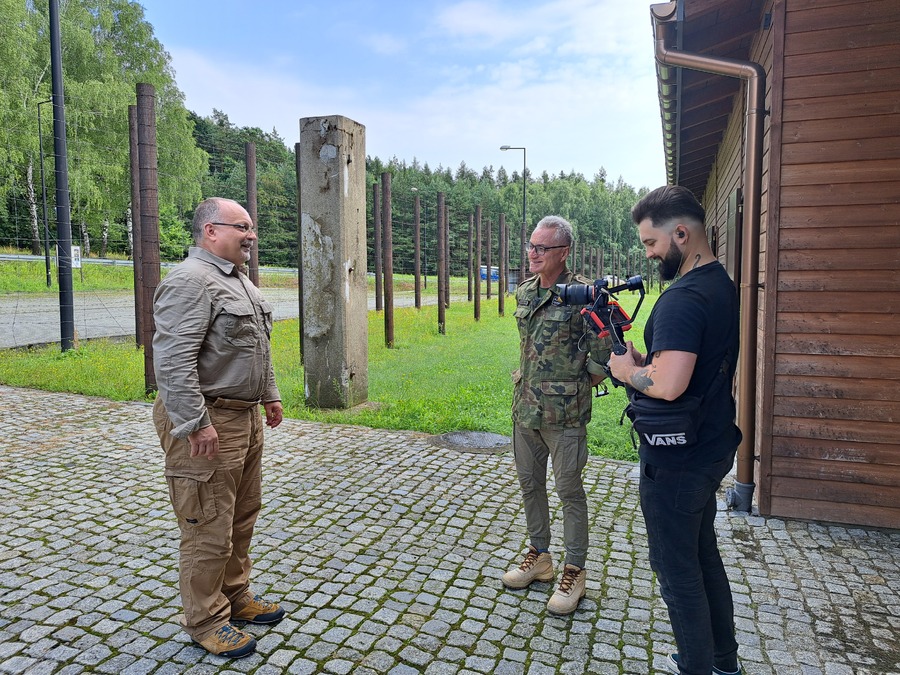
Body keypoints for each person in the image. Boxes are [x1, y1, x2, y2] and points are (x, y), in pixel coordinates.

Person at [608, 185, 742, 675]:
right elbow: (683, 369)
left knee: (676, 569)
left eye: (652, 243)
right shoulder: (720, 284)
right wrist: (649, 363)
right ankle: (724, 664)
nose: (648, 254)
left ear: (681, 233)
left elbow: (667, 385)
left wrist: (627, 372)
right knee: (702, 556)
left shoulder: (683, 298)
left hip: (677, 459)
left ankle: (697, 667)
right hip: (709, 446)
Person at [152, 197, 285, 659]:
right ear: (210, 230)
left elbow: (256, 347)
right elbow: (172, 361)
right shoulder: (190, 282)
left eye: (252, 226)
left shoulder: (237, 280)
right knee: (207, 523)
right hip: (207, 422)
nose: (251, 235)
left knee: (241, 515)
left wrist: (269, 394)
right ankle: (205, 620)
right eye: (241, 226)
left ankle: (234, 596)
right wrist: (194, 423)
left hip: (242, 418)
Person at [503, 215, 611, 615]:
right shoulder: (526, 292)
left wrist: (573, 384)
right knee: (531, 486)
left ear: (563, 253)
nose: (532, 253)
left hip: (565, 417)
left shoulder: (585, 296)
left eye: (542, 248)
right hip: (525, 410)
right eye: (531, 246)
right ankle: (540, 557)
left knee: (569, 493)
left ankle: (574, 571)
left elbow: (602, 360)